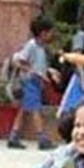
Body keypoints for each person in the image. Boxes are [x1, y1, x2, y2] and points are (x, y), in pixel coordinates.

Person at [7, 16, 59, 151]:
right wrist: (32, 71)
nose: (51, 35)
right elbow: (19, 61)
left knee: (23, 110)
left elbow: (40, 65)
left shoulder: (41, 47)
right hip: (29, 81)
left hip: (35, 81)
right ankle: (41, 138)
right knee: (35, 109)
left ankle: (13, 136)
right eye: (50, 32)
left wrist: (48, 72)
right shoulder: (32, 45)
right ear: (43, 33)